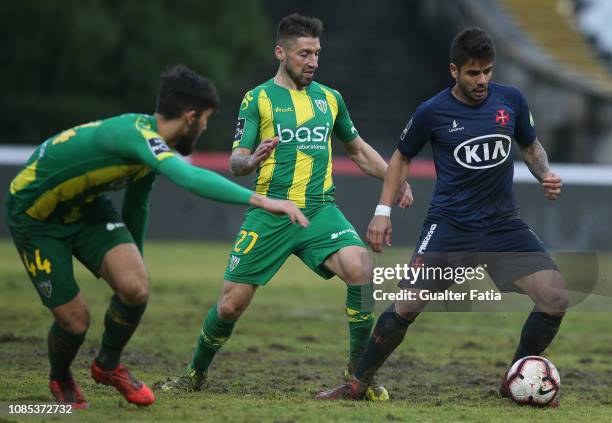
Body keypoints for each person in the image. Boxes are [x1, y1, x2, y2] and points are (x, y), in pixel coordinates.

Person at [5, 64, 308, 409]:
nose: (206, 127)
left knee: (135, 287)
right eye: (206, 119)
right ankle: (61, 376)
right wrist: (261, 200)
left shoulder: (150, 139)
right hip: (36, 215)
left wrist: (133, 260)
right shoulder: (138, 137)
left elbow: (137, 205)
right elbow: (189, 179)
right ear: (191, 117)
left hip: (86, 207)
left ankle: (107, 365)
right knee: (75, 323)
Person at [161, 13, 412, 401]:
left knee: (362, 270)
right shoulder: (257, 99)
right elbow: (236, 162)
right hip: (271, 213)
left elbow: (358, 150)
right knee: (230, 306)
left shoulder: (331, 99)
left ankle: (359, 372)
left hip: (318, 210)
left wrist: (394, 182)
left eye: (316, 53)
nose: (312, 61)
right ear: (281, 53)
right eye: (303, 53)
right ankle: (194, 373)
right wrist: (254, 158)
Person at [315, 28, 569, 405]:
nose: (482, 80)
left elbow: (530, 146)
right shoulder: (432, 112)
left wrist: (544, 173)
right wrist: (382, 212)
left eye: (487, 71)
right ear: (454, 70)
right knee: (407, 305)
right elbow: (401, 157)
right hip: (451, 227)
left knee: (555, 297)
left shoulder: (511, 100)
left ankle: (516, 377)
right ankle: (357, 385)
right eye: (473, 73)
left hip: (503, 225)